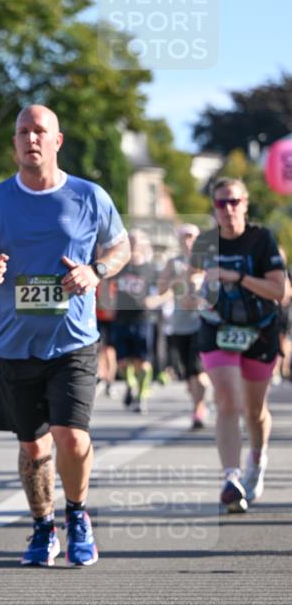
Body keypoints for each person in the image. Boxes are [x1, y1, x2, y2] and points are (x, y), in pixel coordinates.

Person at [0, 104, 130, 567]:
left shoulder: (89, 195)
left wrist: (96, 272)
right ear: (15, 142)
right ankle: (42, 527)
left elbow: (120, 247)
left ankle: (77, 514)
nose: (31, 138)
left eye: (40, 131)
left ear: (57, 141)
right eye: (23, 132)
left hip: (74, 339)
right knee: (33, 446)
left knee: (70, 436)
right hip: (16, 344)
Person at [189, 177, 286, 512]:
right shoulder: (205, 242)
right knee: (228, 398)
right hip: (217, 327)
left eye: (234, 202)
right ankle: (230, 479)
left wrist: (237, 277)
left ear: (245, 204)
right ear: (214, 207)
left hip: (260, 329)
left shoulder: (261, 239)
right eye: (221, 203)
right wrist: (193, 286)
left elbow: (279, 291)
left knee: (254, 410)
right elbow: (188, 280)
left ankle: (256, 461)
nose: (228, 209)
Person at [158, 224, 209, 429]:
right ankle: (198, 403)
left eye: (192, 237)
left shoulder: (206, 261)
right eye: (185, 237)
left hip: (201, 322)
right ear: (179, 240)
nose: (189, 241)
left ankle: (198, 409)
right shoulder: (173, 263)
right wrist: (178, 280)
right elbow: (161, 289)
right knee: (188, 373)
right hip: (179, 324)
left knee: (198, 370)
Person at [111, 230, 157, 413]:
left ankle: (141, 395)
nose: (133, 244)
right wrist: (107, 301)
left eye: (136, 241)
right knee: (122, 362)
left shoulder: (151, 269)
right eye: (130, 240)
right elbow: (105, 282)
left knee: (142, 363)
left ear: (144, 244)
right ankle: (130, 385)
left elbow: (166, 291)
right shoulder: (120, 266)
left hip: (142, 319)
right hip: (121, 317)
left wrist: (155, 301)